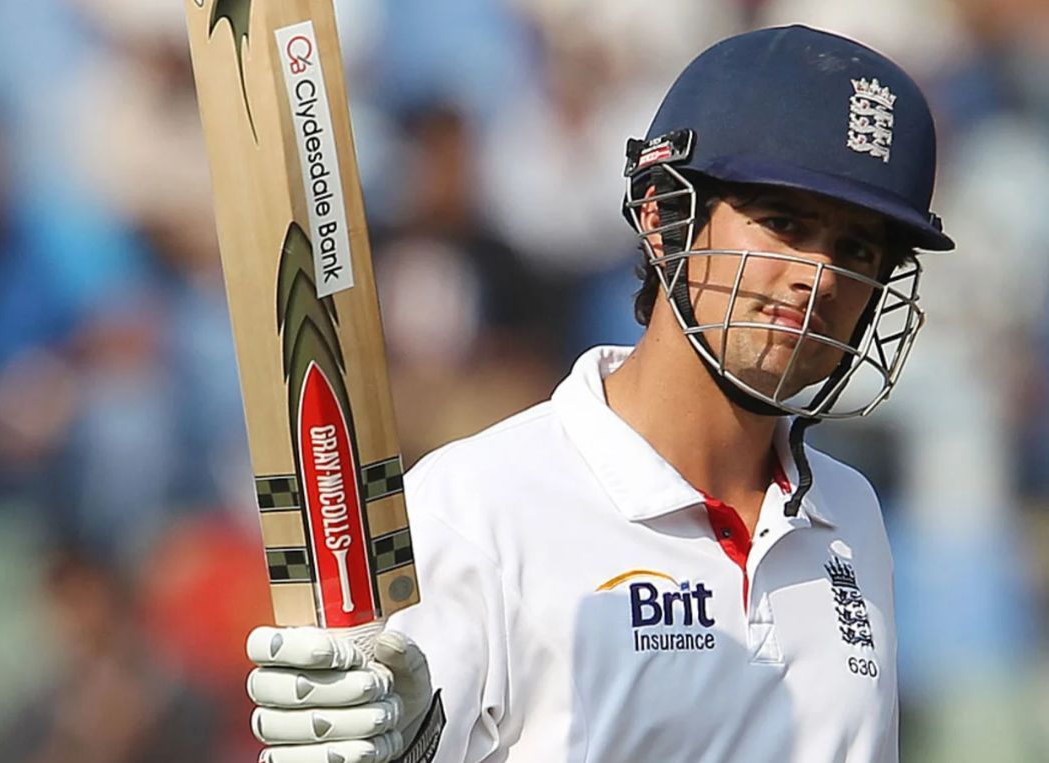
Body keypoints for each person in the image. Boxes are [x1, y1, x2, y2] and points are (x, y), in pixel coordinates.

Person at [244, 25, 954, 763]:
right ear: (661, 216)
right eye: (783, 224)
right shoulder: (471, 512)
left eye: (858, 248)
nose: (822, 277)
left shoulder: (852, 519)